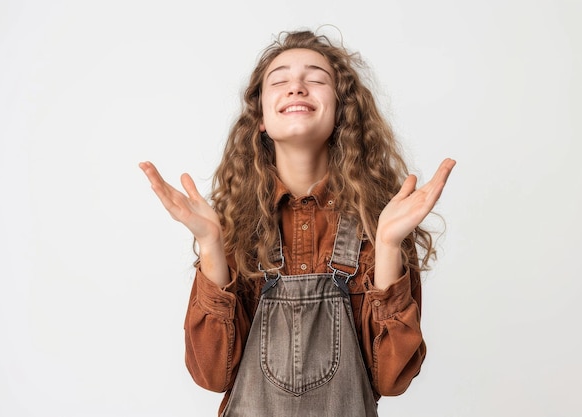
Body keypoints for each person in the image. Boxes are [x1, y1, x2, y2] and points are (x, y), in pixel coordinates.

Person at [140, 29, 456, 417]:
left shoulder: (379, 226)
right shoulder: (235, 232)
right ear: (259, 118)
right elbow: (211, 374)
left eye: (316, 79)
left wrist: (389, 245)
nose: (296, 88)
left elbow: (393, 379)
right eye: (280, 80)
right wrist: (210, 243)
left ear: (342, 111)